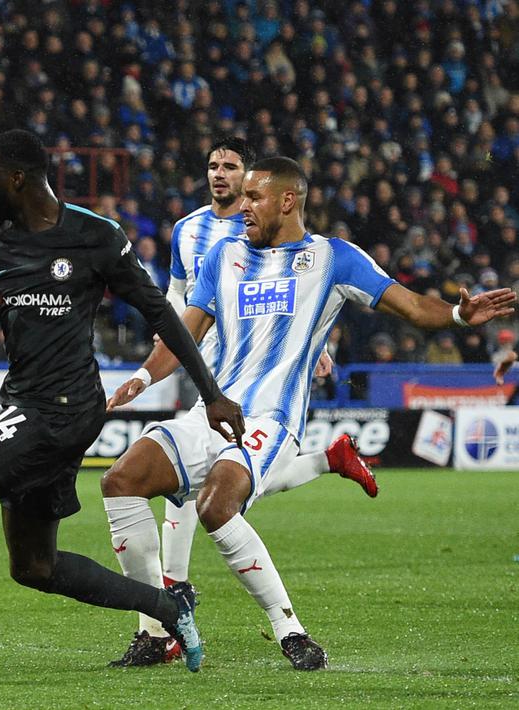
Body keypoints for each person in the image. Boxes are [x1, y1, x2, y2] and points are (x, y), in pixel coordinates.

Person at [101, 157, 515, 671]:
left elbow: (409, 306)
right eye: (243, 197)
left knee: (215, 506)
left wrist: (457, 315)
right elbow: (185, 337)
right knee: (121, 479)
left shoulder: (332, 259)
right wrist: (140, 379)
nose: (243, 208)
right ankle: (162, 620)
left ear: (287, 201)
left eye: (254, 198)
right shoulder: (222, 256)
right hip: (212, 409)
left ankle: (288, 629)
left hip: (270, 419)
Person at [0, 129, 245, 681]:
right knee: (34, 567)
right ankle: (168, 607)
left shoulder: (95, 235)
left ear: (16, 178)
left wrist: (211, 395)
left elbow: (161, 315)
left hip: (64, 407)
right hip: (26, 401)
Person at [113, 137, 379, 667]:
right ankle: (165, 612)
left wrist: (316, 343)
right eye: (212, 165)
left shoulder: (274, 236)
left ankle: (173, 603)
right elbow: (177, 300)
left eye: (231, 167)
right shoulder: (190, 232)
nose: (220, 174)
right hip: (204, 365)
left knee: (217, 488)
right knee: (186, 482)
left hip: (259, 379)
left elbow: (296, 298)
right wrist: (153, 364)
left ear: (252, 178)